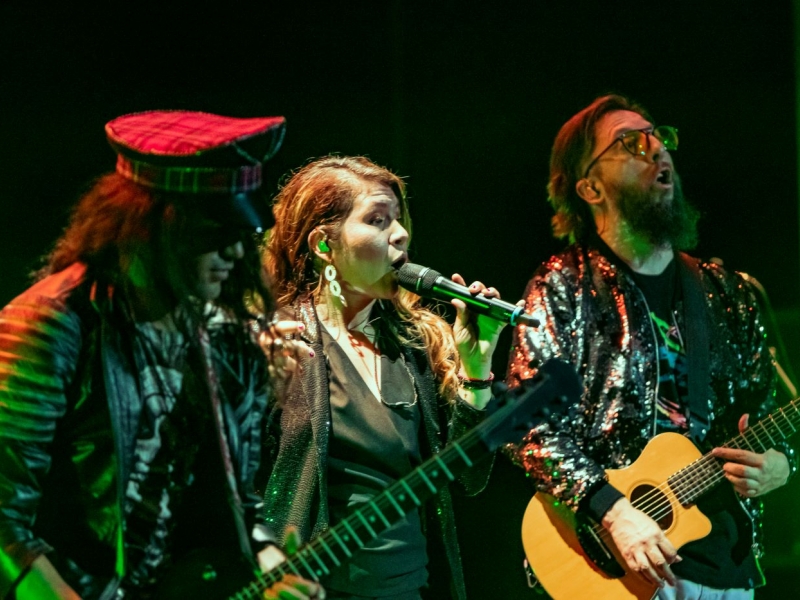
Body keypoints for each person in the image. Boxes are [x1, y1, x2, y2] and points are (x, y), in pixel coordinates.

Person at [0, 110, 322, 600]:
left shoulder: (223, 336)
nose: (238, 253)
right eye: (217, 233)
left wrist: (271, 570)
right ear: (151, 225)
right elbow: (4, 523)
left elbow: (232, 508)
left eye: (242, 232)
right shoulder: (52, 324)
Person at [507, 95, 798, 599]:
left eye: (661, 137)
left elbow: (769, 410)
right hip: (613, 569)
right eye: (633, 143)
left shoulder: (727, 290)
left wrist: (782, 462)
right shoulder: (563, 288)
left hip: (725, 567)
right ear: (590, 187)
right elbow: (526, 421)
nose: (658, 149)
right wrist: (612, 510)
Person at [262, 155, 505, 599]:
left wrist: (477, 370)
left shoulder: (415, 346)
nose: (400, 234)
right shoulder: (278, 342)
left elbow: (467, 482)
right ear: (322, 245)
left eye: (398, 219)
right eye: (377, 220)